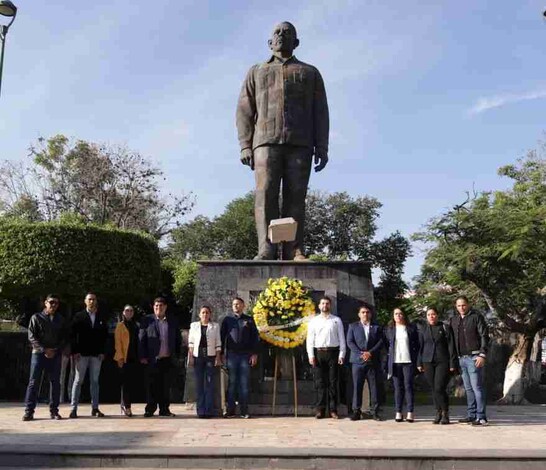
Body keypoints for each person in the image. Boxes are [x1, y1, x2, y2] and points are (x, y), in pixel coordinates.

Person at [236, 21, 329, 260]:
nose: (281, 35)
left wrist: (322, 146)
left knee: (296, 196)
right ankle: (265, 248)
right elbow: (245, 110)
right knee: (265, 194)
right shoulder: (256, 71)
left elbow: (320, 111)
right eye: (277, 32)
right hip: (265, 142)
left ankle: (294, 248)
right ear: (269, 43)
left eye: (287, 33)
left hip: (300, 142)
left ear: (296, 42)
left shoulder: (310, 73)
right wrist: (245, 144)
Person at [22, 294, 68, 421]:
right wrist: (44, 349)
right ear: (45, 303)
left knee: (55, 383)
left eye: (56, 303)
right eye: (51, 302)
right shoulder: (36, 317)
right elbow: (31, 336)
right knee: (33, 382)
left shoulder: (60, 319)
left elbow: (64, 338)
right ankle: (29, 411)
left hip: (55, 354)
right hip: (38, 354)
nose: (54, 305)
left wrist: (56, 349)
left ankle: (54, 411)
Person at [448, 296, 489, 426]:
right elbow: (451, 342)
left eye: (464, 305)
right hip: (461, 359)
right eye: (459, 305)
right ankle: (471, 415)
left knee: (477, 387)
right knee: (468, 388)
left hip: (474, 357)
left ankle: (481, 417)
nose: (462, 308)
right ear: (456, 306)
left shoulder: (476, 317)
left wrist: (482, 354)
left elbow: (484, 335)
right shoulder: (453, 320)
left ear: (468, 304)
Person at [139, 297, 181, 417]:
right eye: (156, 306)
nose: (159, 308)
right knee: (151, 385)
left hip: (167, 357)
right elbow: (141, 339)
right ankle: (150, 409)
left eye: (161, 306)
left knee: (165, 385)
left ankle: (164, 409)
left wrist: (177, 354)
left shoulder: (172, 321)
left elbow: (177, 338)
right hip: (152, 358)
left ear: (165, 307)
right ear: (153, 307)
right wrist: (142, 356)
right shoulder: (147, 320)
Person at [70, 292, 108, 418]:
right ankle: (73, 408)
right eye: (89, 299)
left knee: (95, 381)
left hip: (96, 355)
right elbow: (73, 335)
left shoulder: (101, 317)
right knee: (78, 380)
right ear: (85, 301)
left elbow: (105, 336)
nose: (92, 302)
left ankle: (95, 408)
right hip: (82, 354)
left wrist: (102, 352)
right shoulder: (79, 316)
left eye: (93, 299)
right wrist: (75, 352)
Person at [306, 296, 345, 419]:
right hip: (318, 353)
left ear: (330, 305)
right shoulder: (314, 321)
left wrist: (342, 354)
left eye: (327, 303)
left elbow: (342, 339)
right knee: (320, 383)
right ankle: (320, 410)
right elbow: (309, 340)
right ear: (319, 306)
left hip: (333, 353)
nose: (325, 306)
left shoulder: (337, 320)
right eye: (322, 303)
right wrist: (311, 355)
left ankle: (333, 410)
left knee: (333, 382)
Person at [417, 307, 458, 424]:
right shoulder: (423, 329)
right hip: (427, 361)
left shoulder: (445, 327)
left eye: (433, 314)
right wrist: (419, 362)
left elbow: (451, 346)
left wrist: (452, 363)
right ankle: (438, 411)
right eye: (429, 315)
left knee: (439, 387)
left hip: (442, 361)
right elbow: (420, 347)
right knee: (434, 388)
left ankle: (445, 412)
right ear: (426, 317)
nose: (431, 316)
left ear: (437, 315)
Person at [220, 297, 259, 418]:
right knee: (232, 383)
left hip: (245, 356)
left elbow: (255, 338)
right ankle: (230, 410)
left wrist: (254, 354)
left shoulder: (249, 320)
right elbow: (222, 337)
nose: (236, 306)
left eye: (238, 304)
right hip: (231, 355)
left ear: (243, 306)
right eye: (234, 304)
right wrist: (221, 354)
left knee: (244, 383)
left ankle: (244, 411)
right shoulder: (227, 320)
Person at [346, 304, 383, 421]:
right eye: (363, 312)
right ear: (359, 314)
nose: (365, 314)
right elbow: (350, 342)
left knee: (374, 387)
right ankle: (356, 411)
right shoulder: (353, 326)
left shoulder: (376, 327)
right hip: (357, 362)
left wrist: (370, 353)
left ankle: (375, 412)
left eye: (367, 312)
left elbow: (380, 342)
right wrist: (361, 353)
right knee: (357, 387)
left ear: (370, 314)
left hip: (372, 361)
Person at [384, 308, 420, 422]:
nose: (398, 316)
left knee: (408, 386)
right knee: (397, 388)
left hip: (408, 361)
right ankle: (398, 412)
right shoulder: (389, 330)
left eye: (400, 314)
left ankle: (410, 412)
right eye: (396, 314)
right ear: (393, 316)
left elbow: (417, 345)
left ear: (404, 315)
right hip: (395, 362)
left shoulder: (411, 329)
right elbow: (386, 346)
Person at [188, 305, 222, 418]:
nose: (205, 314)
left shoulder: (215, 326)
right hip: (198, 357)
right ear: (199, 314)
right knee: (199, 384)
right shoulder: (194, 326)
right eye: (203, 312)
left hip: (210, 357)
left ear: (210, 314)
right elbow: (191, 343)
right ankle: (200, 410)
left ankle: (208, 410)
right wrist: (191, 357)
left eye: (207, 312)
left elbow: (218, 343)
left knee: (209, 383)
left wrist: (218, 357)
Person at [114, 304, 140, 417]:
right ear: (123, 312)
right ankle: (126, 406)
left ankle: (128, 405)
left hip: (134, 357)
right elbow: (117, 342)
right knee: (125, 384)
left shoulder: (136, 325)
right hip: (124, 358)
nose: (129, 312)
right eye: (127, 310)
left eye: (131, 310)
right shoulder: (120, 325)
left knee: (132, 383)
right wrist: (119, 357)